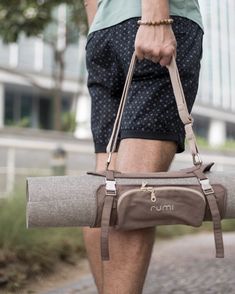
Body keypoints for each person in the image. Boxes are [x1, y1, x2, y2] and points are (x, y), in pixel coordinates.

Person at [83, 0, 203, 293]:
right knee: (134, 195)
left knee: (106, 190)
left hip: (102, 30)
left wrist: (98, 23)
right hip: (153, 19)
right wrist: (155, 17)